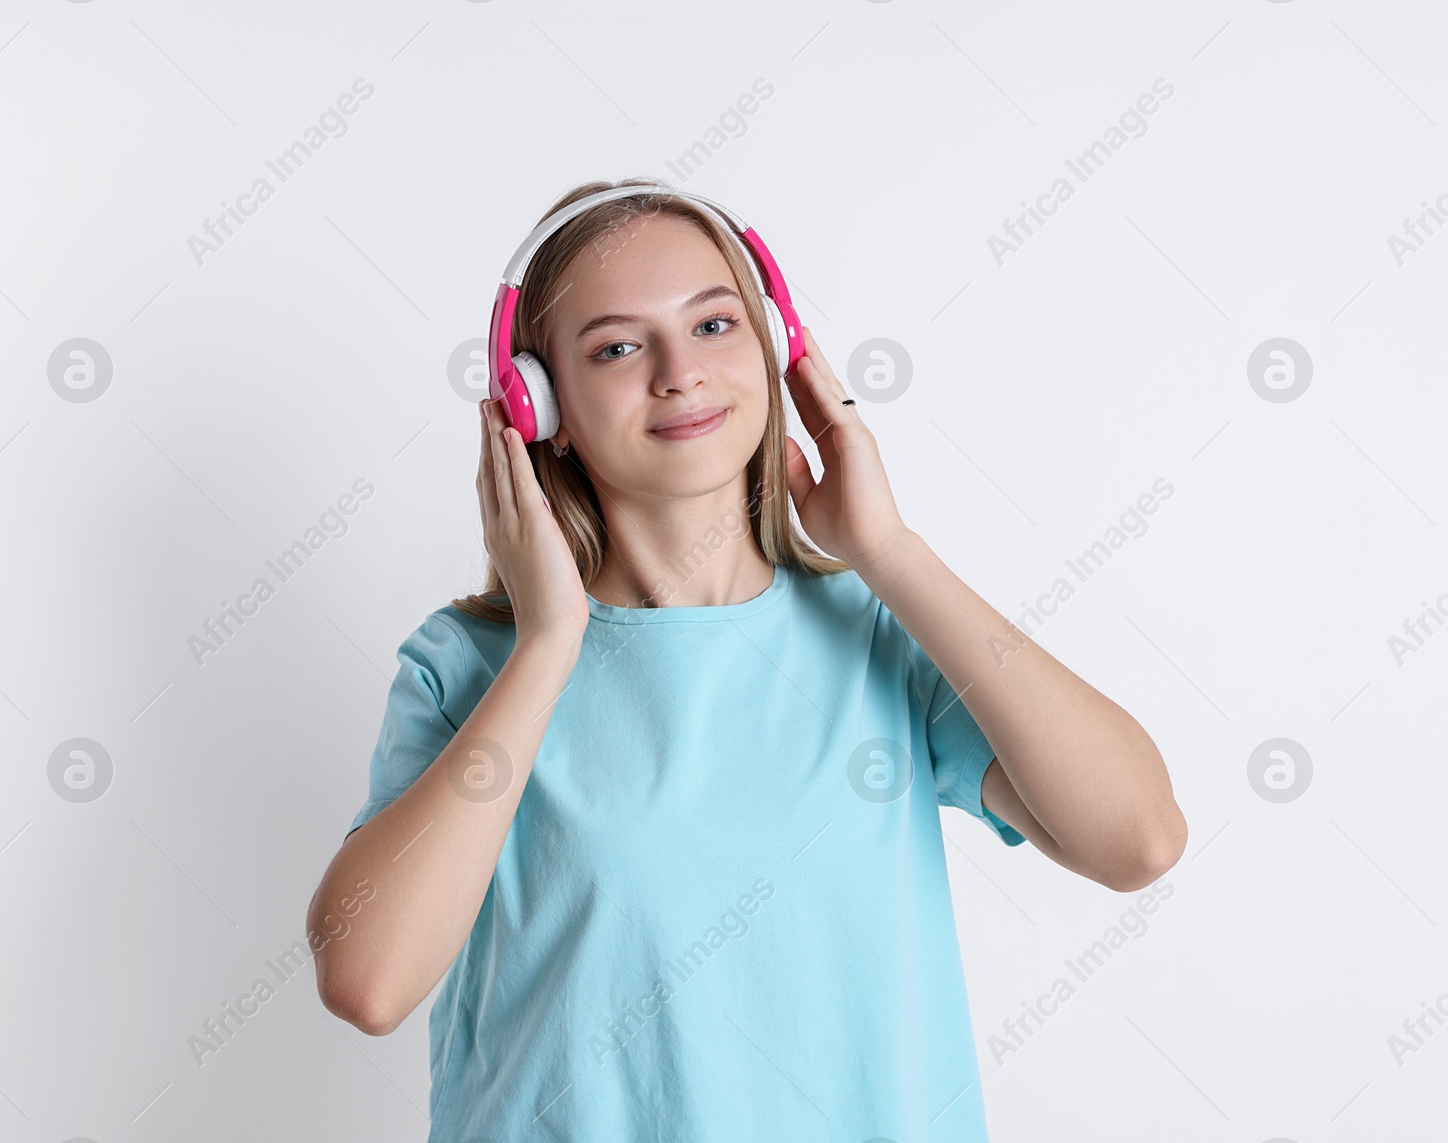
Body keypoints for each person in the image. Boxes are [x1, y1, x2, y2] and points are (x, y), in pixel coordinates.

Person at [306, 177, 1187, 1141]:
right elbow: (368, 980)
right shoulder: (468, 667)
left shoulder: (878, 633)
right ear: (535, 402)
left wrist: (887, 549)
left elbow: (1139, 838)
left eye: (716, 325)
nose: (678, 372)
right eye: (616, 346)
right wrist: (550, 642)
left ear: (776, 346)